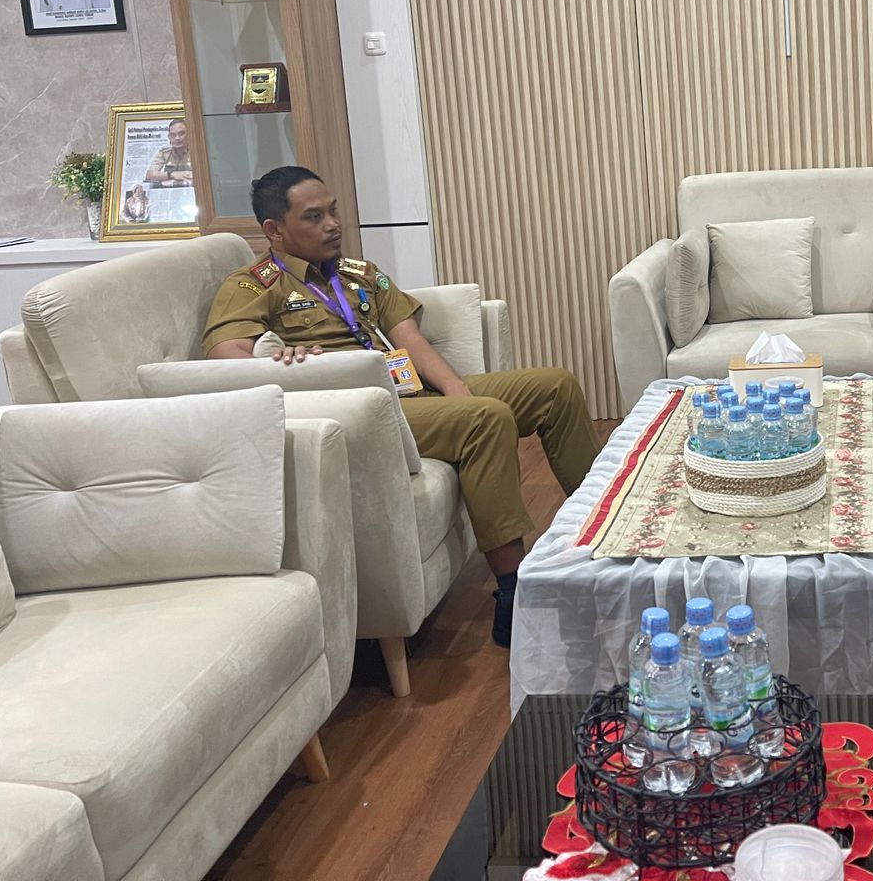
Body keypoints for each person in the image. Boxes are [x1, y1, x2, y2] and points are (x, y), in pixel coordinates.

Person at [201, 165, 600, 647]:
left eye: (333, 211)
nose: (333, 224)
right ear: (275, 230)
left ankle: (601, 532)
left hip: (407, 392)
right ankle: (514, 596)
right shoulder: (253, 285)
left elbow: (409, 339)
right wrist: (278, 359)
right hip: (362, 411)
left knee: (554, 385)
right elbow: (225, 357)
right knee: (486, 418)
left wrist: (455, 388)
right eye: (314, 217)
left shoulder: (359, 273)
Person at [145, 119, 193, 186]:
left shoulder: (196, 151)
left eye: (181, 133)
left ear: (189, 135)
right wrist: (172, 175)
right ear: (169, 137)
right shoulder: (164, 152)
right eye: (173, 135)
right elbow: (150, 175)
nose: (177, 138)